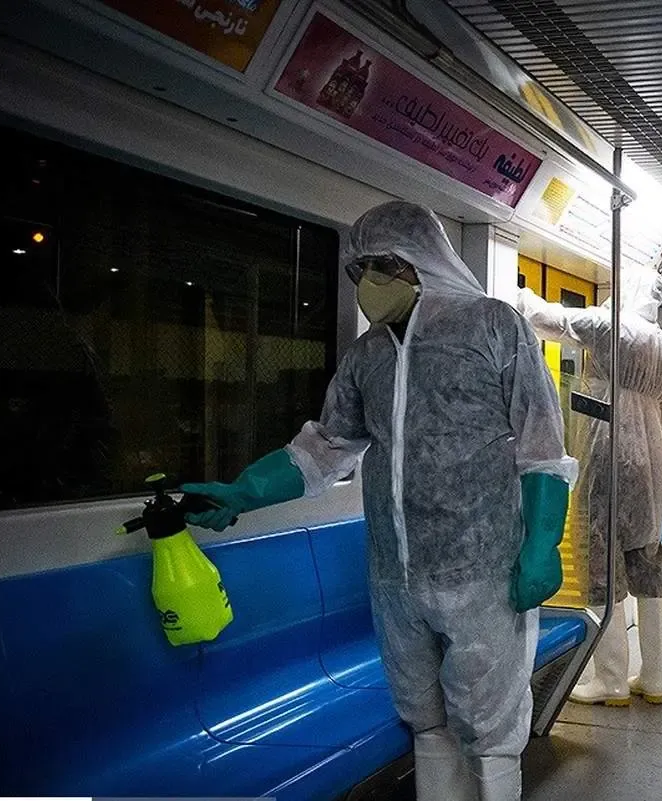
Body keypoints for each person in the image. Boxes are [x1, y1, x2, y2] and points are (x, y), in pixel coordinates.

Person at [181, 201, 578, 801]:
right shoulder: (367, 357)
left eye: (383, 265)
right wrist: (242, 492)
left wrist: (541, 545)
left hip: (485, 571)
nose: (369, 280)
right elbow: (323, 449)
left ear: (424, 262)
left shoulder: (494, 327)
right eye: (359, 268)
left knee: (490, 721)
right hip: (397, 576)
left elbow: (541, 447)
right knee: (424, 715)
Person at [518, 267, 662, 707]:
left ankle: (611, 680)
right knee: (648, 565)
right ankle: (653, 677)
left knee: (600, 565)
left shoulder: (611, 326)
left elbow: (544, 318)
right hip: (652, 466)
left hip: (607, 454)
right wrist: (657, 454)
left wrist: (519, 293)